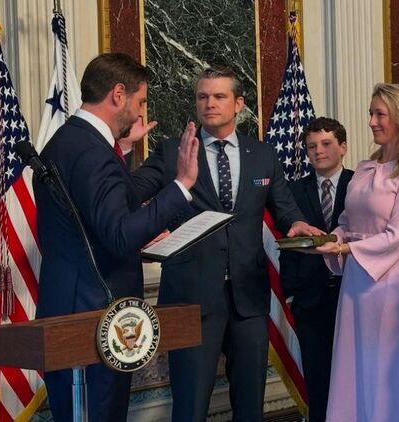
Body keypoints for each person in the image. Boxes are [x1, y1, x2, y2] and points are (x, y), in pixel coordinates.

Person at [130, 65, 321, 422]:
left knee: (250, 407)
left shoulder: (263, 154)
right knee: (190, 408)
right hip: (190, 297)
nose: (210, 104)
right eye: (202, 97)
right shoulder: (173, 152)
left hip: (248, 297)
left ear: (239, 104)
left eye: (219, 96)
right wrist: (123, 147)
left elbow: (285, 210)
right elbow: (129, 194)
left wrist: (296, 224)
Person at [34, 53, 199, 421]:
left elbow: (96, 213)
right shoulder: (93, 153)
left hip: (69, 308)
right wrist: (182, 184)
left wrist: (120, 152)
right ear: (118, 94)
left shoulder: (69, 141)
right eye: (140, 102)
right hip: (95, 317)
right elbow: (120, 235)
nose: (140, 115)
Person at [314, 83, 399, 421]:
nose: (371, 121)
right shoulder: (365, 167)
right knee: (354, 362)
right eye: (371, 113)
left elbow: (398, 234)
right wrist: (326, 240)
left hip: (390, 281)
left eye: (380, 114)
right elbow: (347, 221)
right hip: (355, 280)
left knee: (387, 365)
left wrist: (346, 247)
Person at [279, 117, 354, 422]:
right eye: (312, 146)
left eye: (326, 144)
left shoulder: (360, 186)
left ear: (343, 147)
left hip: (352, 295)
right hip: (309, 301)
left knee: (351, 374)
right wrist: (291, 294)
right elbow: (286, 246)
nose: (318, 151)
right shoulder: (293, 191)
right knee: (317, 377)